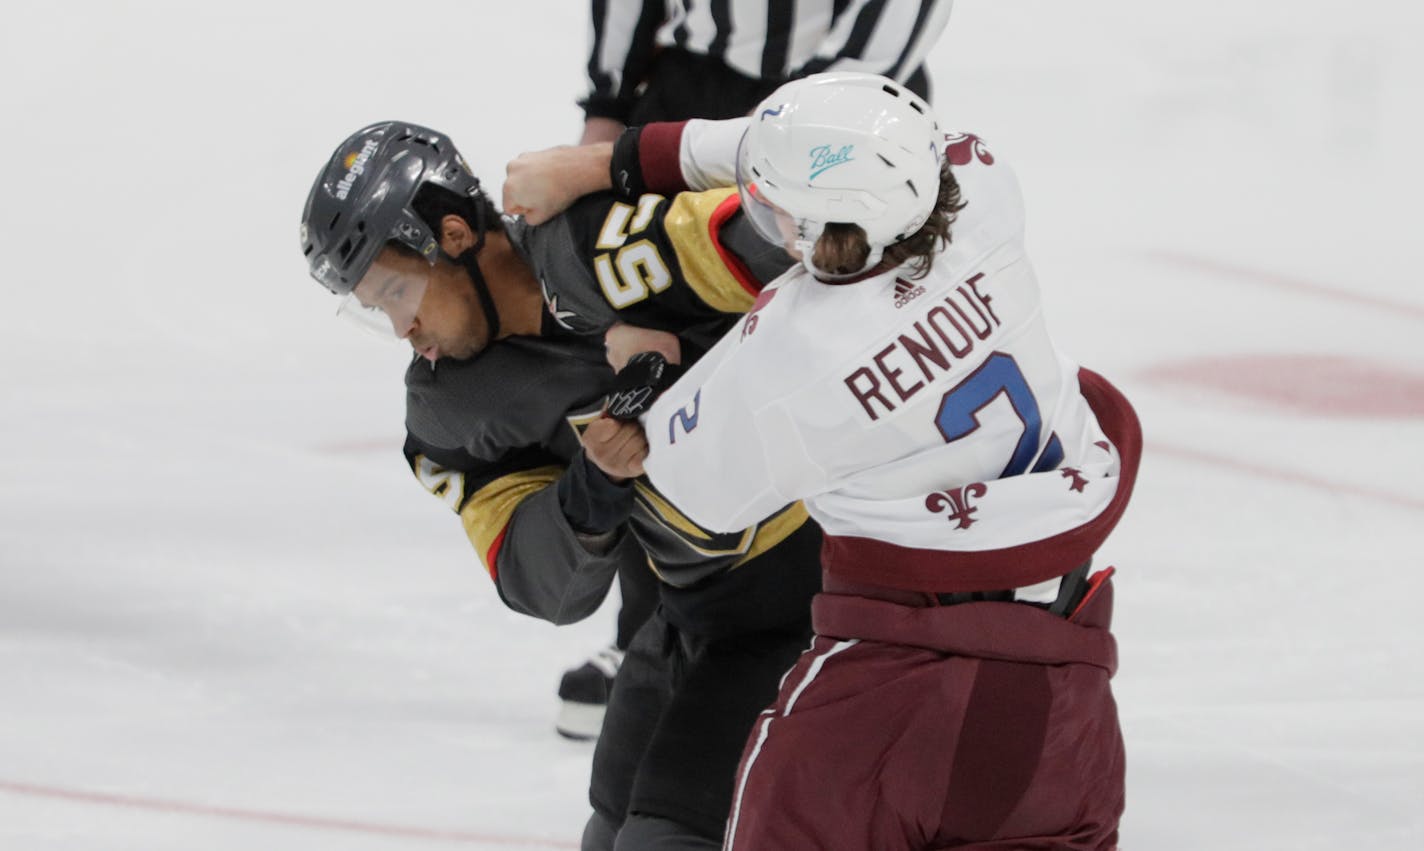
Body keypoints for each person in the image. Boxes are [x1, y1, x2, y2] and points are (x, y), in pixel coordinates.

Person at [505, 72, 1142, 849]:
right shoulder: (982, 190)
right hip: (1064, 683)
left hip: (885, 701)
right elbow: (808, 152)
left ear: (812, 228)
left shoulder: (788, 359)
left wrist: (642, 356)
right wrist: (609, 164)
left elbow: (671, 488)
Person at [298, 121, 821, 850]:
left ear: (453, 234)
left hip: (830, 597)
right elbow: (545, 585)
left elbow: (820, 215)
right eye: (374, 307)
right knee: (608, 830)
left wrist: (620, 166)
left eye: (396, 290)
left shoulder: (602, 246)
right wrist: (594, 485)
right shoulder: (451, 410)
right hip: (697, 616)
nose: (402, 329)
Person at [564, 0, 957, 731]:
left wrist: (814, 140)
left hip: (849, 118)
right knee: (660, 369)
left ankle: (837, 628)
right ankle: (652, 639)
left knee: (834, 367)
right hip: (690, 95)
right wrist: (608, 105)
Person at [579, 0, 955, 145]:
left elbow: (887, 30)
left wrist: (781, 118)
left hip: (845, 104)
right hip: (691, 86)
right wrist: (607, 106)